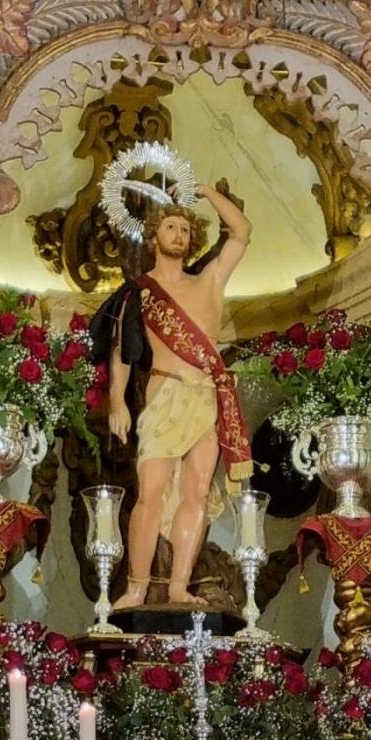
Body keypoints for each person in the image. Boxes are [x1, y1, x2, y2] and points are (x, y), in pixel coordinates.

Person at [100, 184, 254, 610]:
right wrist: (117, 401)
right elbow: (122, 349)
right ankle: (136, 587)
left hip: (205, 397)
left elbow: (241, 232)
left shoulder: (209, 280)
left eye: (185, 229)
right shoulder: (140, 292)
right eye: (170, 227)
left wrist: (205, 192)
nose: (179, 235)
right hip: (163, 395)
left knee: (197, 492)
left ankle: (179, 587)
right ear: (154, 237)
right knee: (150, 492)